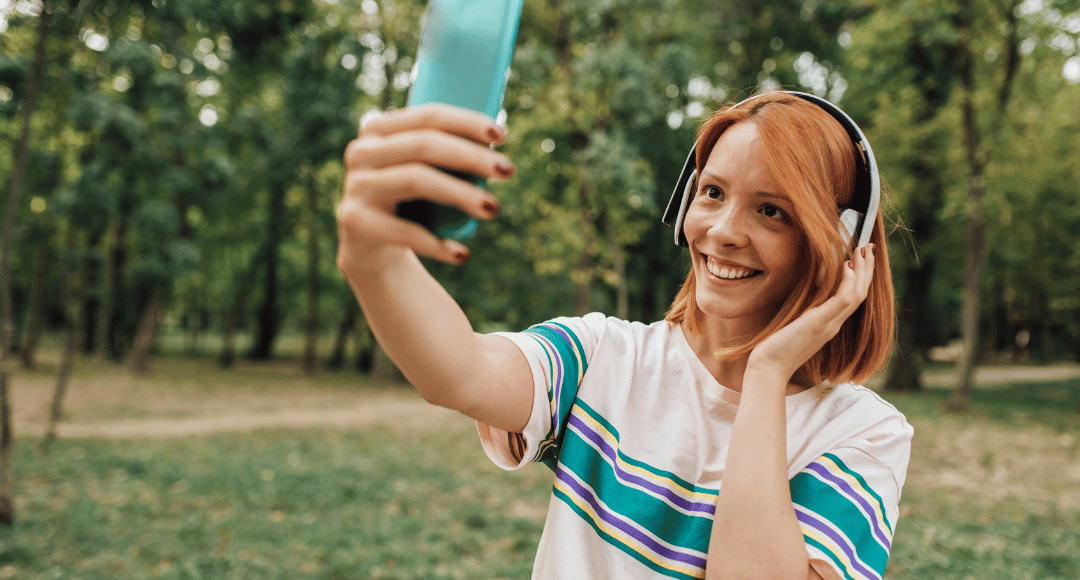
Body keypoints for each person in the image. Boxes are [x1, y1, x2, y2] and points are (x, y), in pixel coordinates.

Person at [336, 91, 914, 580]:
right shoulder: (604, 356)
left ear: (841, 246)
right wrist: (373, 259)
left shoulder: (864, 435)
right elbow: (460, 372)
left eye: (772, 211)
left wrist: (767, 373)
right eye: (712, 193)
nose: (723, 231)